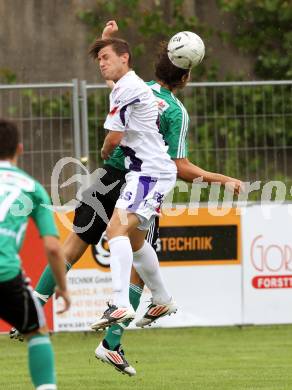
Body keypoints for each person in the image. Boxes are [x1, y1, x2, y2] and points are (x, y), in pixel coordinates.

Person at [28, 21, 243, 376]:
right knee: (136, 251)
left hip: (111, 173)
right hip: (141, 176)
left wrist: (107, 41)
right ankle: (114, 338)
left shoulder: (137, 84)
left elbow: (115, 75)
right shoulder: (175, 111)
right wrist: (221, 179)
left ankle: (35, 310)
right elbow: (180, 166)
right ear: (185, 78)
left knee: (76, 241)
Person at [0, 119, 70, 390]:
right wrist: (62, 288)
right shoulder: (31, 187)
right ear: (20, 149)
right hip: (5, 274)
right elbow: (53, 247)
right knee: (36, 332)